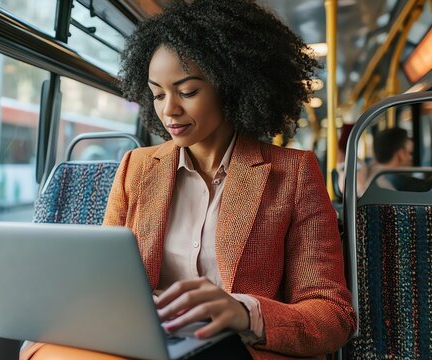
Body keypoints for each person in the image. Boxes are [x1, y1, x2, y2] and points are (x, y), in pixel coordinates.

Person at [21, 0, 355, 359]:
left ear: (232, 85)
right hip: (149, 341)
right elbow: (104, 277)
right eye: (158, 94)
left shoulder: (294, 174)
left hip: (239, 347)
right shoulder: (136, 166)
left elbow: (332, 314)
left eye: (188, 91)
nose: (169, 110)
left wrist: (244, 313)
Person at [365, 127, 431, 192]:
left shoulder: (371, 173)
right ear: (401, 153)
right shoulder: (389, 182)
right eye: (410, 153)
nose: (411, 158)